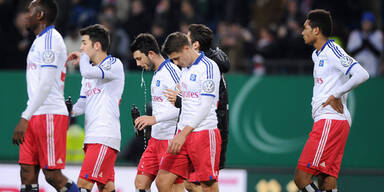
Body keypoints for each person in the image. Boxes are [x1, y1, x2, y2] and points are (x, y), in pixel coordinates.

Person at [294, 9, 369, 192]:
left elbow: (362, 74)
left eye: (305, 28)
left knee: (301, 177)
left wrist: (336, 94)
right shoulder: (316, 55)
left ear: (316, 30)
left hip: (331, 120)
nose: (302, 32)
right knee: (326, 180)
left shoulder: (333, 50)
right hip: (330, 120)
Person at [11, 0, 79, 192]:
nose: (26, 15)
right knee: (27, 172)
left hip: (48, 113)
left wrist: (25, 117)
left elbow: (46, 83)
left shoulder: (51, 40)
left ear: (40, 15)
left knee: (52, 176)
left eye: (29, 11)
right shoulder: (40, 41)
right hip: (35, 112)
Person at [164, 24, 230, 192]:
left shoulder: (209, 67)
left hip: (204, 133)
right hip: (183, 133)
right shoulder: (185, 68)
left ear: (188, 48)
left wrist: (182, 134)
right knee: (164, 181)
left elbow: (206, 106)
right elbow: (188, 102)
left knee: (207, 186)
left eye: (177, 58)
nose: (176, 63)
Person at [66, 24, 125, 192]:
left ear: (97, 45)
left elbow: (86, 72)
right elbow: (82, 104)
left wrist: (83, 57)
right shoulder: (89, 73)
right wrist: (70, 110)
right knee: (106, 187)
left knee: (83, 186)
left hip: (104, 136)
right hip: (92, 137)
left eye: (84, 43)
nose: (81, 47)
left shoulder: (114, 64)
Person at [130, 33, 184, 192]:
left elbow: (184, 106)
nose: (138, 64)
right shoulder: (157, 74)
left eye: (139, 59)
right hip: (155, 139)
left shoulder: (172, 71)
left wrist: (154, 118)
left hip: (171, 139)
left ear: (151, 54)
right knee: (140, 183)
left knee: (171, 187)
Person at [347, 11, 383, 77]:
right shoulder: (355, 34)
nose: (366, 24)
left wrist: (369, 43)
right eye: (365, 22)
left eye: (369, 22)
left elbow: (379, 53)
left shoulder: (378, 34)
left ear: (372, 23)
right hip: (358, 69)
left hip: (373, 70)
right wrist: (362, 46)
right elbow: (350, 53)